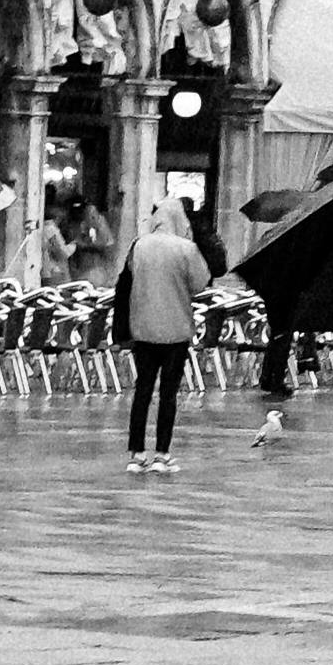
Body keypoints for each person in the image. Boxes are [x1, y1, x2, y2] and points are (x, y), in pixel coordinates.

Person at [114, 190, 212, 472]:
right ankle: (162, 454)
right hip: (176, 330)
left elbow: (130, 276)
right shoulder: (185, 248)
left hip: (143, 329)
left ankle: (136, 453)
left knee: (142, 390)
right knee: (168, 394)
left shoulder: (139, 246)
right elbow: (200, 283)